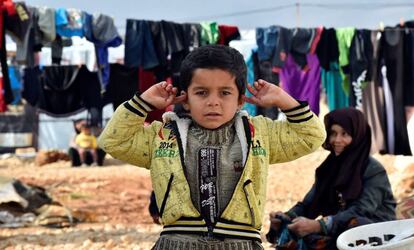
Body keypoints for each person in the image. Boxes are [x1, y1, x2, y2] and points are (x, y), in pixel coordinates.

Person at [98, 44, 326, 249]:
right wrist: (143, 103)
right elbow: (113, 141)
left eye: (225, 93)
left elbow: (312, 136)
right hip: (177, 243)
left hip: (241, 243)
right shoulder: (163, 136)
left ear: (239, 100)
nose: (213, 101)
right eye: (201, 92)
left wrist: (283, 99)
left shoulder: (259, 134)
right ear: (185, 99)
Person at [268, 107, 396, 249]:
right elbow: (309, 204)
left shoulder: (373, 170)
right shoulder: (328, 168)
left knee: (357, 227)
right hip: (338, 231)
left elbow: (362, 210)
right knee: (294, 238)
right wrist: (285, 218)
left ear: (358, 136)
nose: (337, 140)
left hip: (376, 233)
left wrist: (319, 225)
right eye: (333, 133)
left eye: (344, 134)